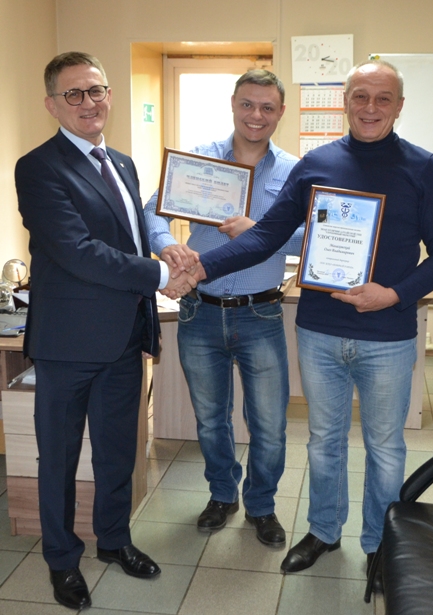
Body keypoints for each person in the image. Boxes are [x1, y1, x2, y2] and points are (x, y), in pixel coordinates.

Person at [191, 60, 433, 586]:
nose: (370, 108)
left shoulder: (423, 167)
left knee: (385, 448)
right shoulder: (316, 164)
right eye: (360, 96)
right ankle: (323, 531)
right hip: (319, 333)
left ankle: (380, 546)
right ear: (345, 102)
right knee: (324, 442)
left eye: (383, 98)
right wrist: (202, 267)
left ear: (399, 106)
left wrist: (395, 294)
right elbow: (265, 236)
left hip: (388, 335)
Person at [15, 51, 196, 610]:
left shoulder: (121, 162)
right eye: (74, 94)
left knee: (118, 452)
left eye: (96, 90)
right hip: (68, 343)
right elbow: (78, 251)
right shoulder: (38, 168)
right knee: (59, 457)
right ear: (52, 104)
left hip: (124, 336)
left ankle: (114, 541)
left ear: (109, 95)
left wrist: (164, 253)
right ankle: (61, 559)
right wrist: (162, 275)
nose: (89, 102)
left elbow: (131, 234)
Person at [144, 69, 303, 547]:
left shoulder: (295, 171)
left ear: (280, 112)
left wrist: (261, 231)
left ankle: (262, 505)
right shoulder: (199, 160)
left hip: (261, 315)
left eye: (268, 107)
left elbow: (310, 236)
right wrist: (167, 246)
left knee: (269, 424)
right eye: (247, 104)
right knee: (211, 419)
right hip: (200, 312)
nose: (256, 115)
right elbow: (152, 212)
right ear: (233, 104)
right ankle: (221, 495)